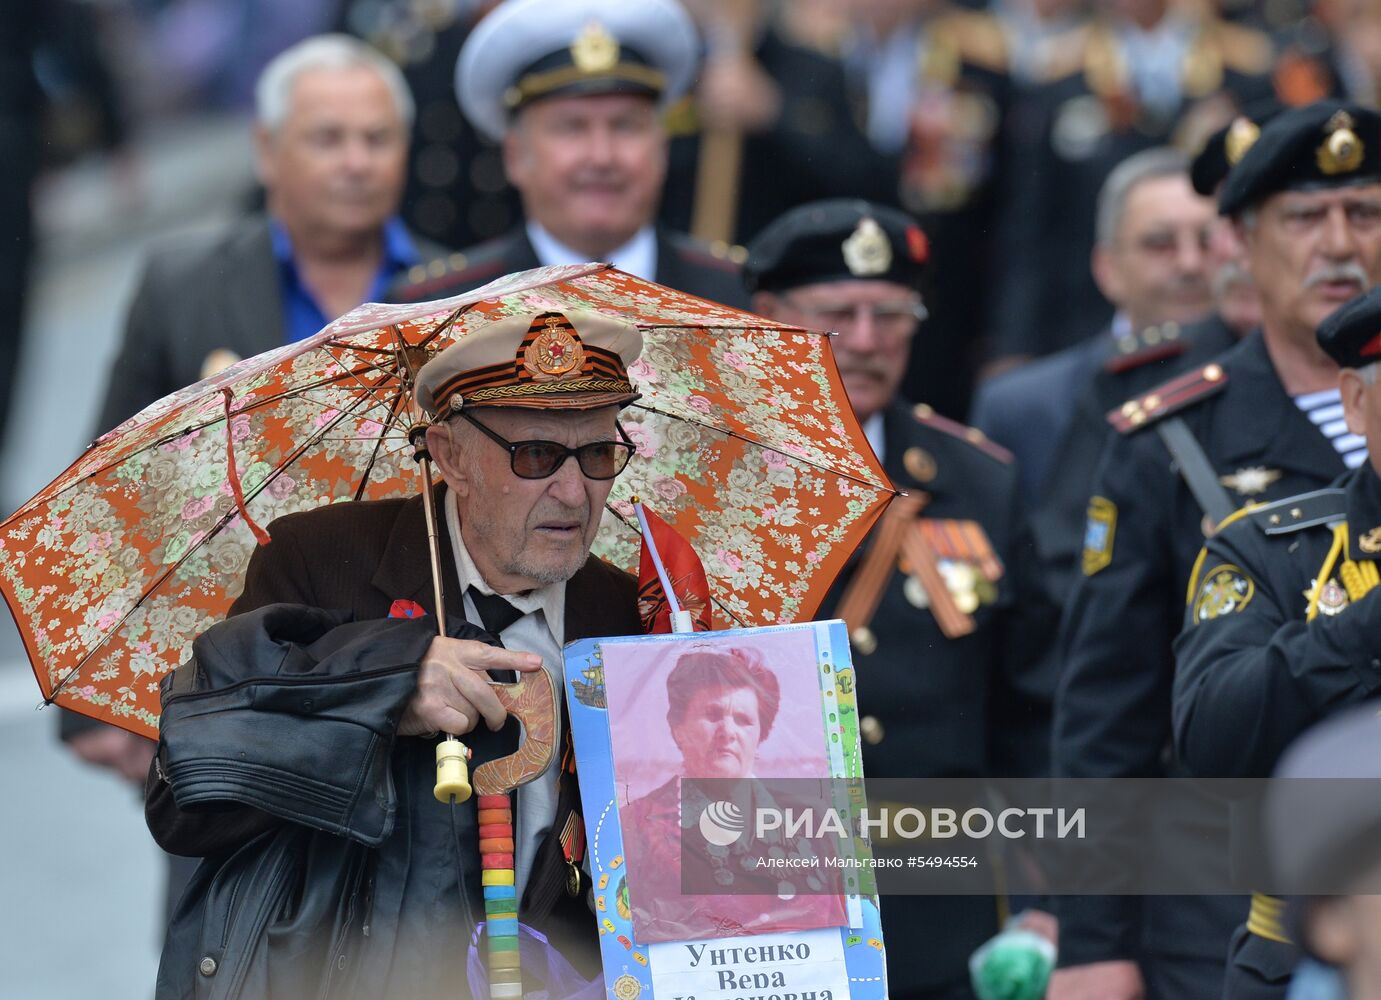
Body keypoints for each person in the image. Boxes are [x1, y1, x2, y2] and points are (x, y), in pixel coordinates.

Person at [145, 309, 645, 995]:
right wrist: (385, 683)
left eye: (596, 454)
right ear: (448, 455)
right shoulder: (321, 563)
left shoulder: (628, 612)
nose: (573, 491)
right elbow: (185, 800)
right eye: (535, 456)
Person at [64, 30, 438, 919]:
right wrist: (93, 708)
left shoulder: (460, 289)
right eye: (328, 138)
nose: (356, 161)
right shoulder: (184, 285)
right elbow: (107, 491)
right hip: (236, 680)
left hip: (414, 668)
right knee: (228, 924)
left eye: (377, 138)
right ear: (268, 149)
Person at [1050, 100, 1381, 1000]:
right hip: (1228, 903)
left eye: (1365, 212)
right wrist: (1089, 940)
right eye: (1305, 218)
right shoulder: (1174, 434)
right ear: (1238, 238)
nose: (1339, 244)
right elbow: (1105, 709)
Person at [745, 199, 1057, 1000]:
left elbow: (1032, 716)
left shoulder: (978, 480)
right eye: (835, 314)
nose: (868, 338)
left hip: (942, 910)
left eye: (891, 314)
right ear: (768, 319)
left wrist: (1048, 905)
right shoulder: (705, 486)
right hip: (753, 910)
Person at [1174, 286, 1381, 996]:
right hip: (1314, 960)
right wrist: (1367, 624)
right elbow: (1213, 743)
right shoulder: (1271, 549)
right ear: (1354, 402)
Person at [972, 144, 1239, 608]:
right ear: (1108, 269)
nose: (1190, 264)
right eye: (1160, 243)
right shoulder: (1022, 408)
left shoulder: (1273, 379)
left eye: (1207, 241)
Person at [392, 0, 749, 310]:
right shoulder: (438, 312)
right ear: (516, 155)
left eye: (625, 126)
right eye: (571, 128)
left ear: (662, 146)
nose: (601, 156)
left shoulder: (744, 299)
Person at [985, 0, 1277, 368]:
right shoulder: (1058, 74)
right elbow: (1028, 227)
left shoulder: (1246, 66)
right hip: (1086, 324)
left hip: (1225, 325)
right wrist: (1012, 344)